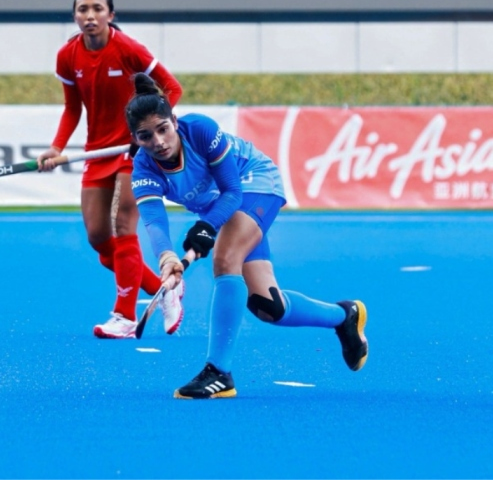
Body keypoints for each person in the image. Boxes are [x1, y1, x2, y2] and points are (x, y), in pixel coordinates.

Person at [125, 73, 369, 399]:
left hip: (254, 183)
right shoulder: (143, 168)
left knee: (226, 259)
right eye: (145, 136)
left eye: (163, 129)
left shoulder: (200, 130)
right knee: (269, 306)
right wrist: (167, 256)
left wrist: (207, 227)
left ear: (175, 121)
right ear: (135, 139)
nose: (158, 142)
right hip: (222, 209)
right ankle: (345, 315)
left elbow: (232, 191)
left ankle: (218, 372)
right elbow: (154, 221)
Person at [37, 0, 185, 339]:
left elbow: (172, 88)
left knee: (122, 225)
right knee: (100, 239)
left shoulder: (129, 49)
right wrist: (56, 148)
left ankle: (124, 315)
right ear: (75, 16)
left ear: (110, 15)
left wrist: (148, 133)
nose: (90, 16)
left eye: (97, 9)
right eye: (82, 9)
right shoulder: (67, 56)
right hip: (97, 151)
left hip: (133, 153)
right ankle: (165, 289)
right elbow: (73, 108)